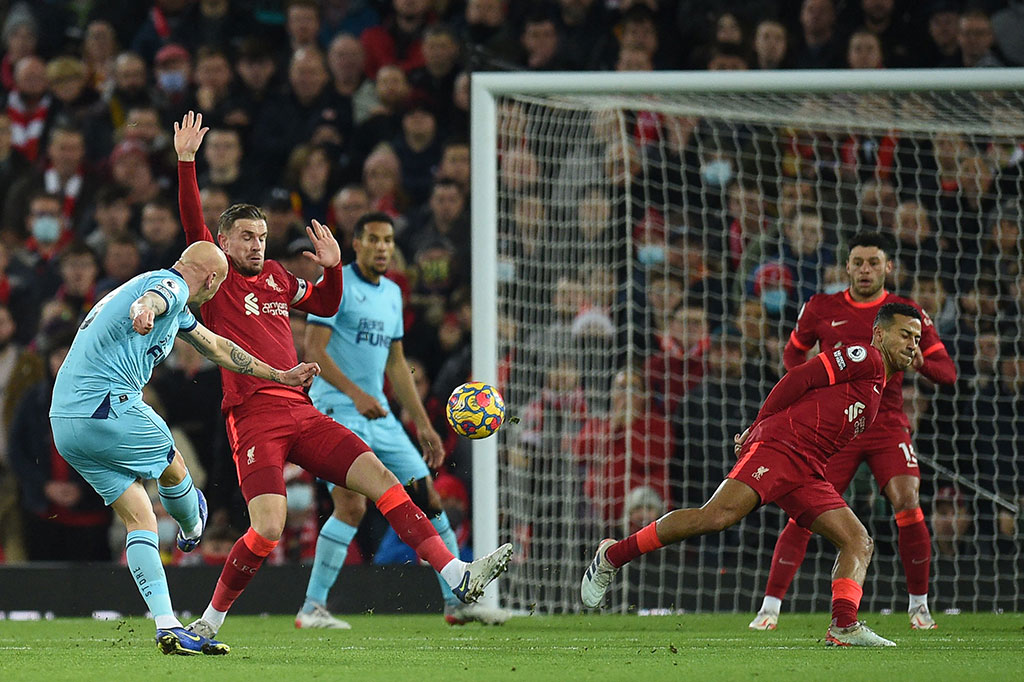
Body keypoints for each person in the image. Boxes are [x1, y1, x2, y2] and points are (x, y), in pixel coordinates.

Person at [173, 111, 513, 642]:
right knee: (266, 530)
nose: (256, 245)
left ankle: (456, 574)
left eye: (261, 236)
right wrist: (187, 162)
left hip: (303, 412)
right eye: (244, 237)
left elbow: (327, 301)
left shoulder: (280, 277)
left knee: (383, 481)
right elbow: (193, 228)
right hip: (254, 414)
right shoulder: (214, 277)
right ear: (222, 241)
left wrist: (332, 266)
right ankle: (209, 621)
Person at [582, 302, 924, 647]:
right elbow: (800, 376)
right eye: (904, 334)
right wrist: (759, 426)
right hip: (782, 446)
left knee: (857, 541)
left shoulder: (880, 385)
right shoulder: (865, 357)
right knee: (715, 517)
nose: (912, 344)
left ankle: (844, 626)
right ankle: (612, 556)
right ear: (879, 333)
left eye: (917, 337)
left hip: (808, 466)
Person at [48, 240, 321, 655]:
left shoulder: (170, 300)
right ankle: (194, 528)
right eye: (218, 285)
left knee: (140, 518)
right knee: (173, 463)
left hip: (66, 424)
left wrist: (279, 375)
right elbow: (155, 300)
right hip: (105, 405)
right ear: (210, 279)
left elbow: (216, 347)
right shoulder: (169, 286)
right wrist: (145, 311)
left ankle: (167, 625)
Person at [296, 211, 508, 628]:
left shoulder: (392, 293)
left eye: (388, 240)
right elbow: (314, 350)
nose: (381, 247)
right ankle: (312, 607)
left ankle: (456, 601)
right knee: (351, 507)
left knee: (428, 496)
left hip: (380, 415)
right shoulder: (336, 286)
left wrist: (423, 424)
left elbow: (396, 363)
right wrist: (356, 395)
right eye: (373, 239)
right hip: (337, 411)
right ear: (356, 244)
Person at [749, 232, 956, 632]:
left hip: (887, 423)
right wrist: (809, 380)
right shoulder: (820, 307)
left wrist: (917, 363)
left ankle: (919, 607)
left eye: (873, 263)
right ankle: (770, 607)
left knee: (908, 499)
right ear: (846, 266)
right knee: (804, 514)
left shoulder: (907, 315)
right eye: (858, 262)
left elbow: (947, 372)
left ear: (888, 267)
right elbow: (794, 354)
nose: (865, 270)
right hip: (834, 431)